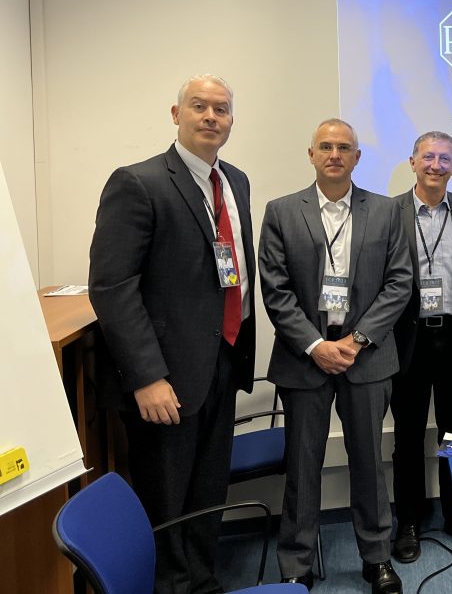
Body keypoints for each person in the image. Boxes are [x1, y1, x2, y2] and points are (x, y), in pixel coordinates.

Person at [88, 74, 256, 594]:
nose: (211, 116)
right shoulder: (138, 183)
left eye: (221, 109)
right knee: (167, 496)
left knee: (208, 487)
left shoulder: (236, 181)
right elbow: (112, 287)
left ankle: (202, 581)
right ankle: (172, 587)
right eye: (199, 106)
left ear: (231, 121)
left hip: (223, 358)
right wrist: (146, 377)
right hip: (166, 375)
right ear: (176, 114)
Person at [259, 119, 411, 592]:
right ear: (311, 154)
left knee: (368, 460)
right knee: (303, 466)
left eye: (344, 147)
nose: (334, 154)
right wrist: (316, 345)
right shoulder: (282, 211)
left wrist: (357, 340)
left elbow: (399, 282)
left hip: (366, 355)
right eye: (325, 146)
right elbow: (276, 289)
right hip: (305, 356)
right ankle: (296, 564)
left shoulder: (386, 211)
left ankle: (376, 557)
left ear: (357, 157)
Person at [391, 132, 452, 561]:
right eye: (428, 156)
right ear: (412, 161)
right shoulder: (390, 212)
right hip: (408, 337)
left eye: (444, 158)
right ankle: (409, 522)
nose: (435, 165)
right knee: (408, 435)